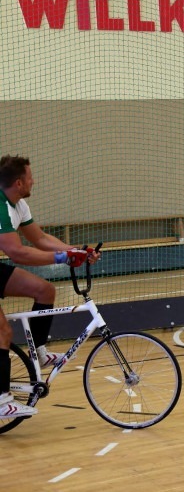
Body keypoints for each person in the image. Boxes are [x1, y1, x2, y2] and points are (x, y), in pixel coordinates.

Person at [0, 155, 100, 419]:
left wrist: (77, 251)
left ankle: (40, 352)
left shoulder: (18, 205)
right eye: (31, 177)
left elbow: (41, 239)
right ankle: (1, 401)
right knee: (1, 332)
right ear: (19, 182)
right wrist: (62, 258)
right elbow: (16, 252)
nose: (35, 181)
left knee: (45, 291)